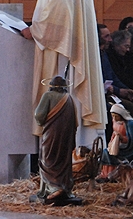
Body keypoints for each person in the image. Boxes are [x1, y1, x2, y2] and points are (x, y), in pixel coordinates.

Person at [21, 0, 106, 145]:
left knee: (65, 99)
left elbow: (59, 15)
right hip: (63, 49)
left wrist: (35, 30)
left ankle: (72, 155)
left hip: (64, 54)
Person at [34, 76, 79, 205]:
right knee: (63, 161)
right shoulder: (69, 99)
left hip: (51, 135)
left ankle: (53, 188)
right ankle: (64, 186)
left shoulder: (48, 96)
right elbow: (75, 122)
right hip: (67, 137)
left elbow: (39, 115)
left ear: (52, 86)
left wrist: (43, 121)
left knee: (48, 160)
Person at [96, 103, 133, 182]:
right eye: (112, 116)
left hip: (128, 148)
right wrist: (112, 142)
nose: (114, 118)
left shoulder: (130, 124)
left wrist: (122, 138)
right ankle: (106, 173)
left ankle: (113, 174)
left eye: (115, 116)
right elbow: (114, 133)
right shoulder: (115, 121)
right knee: (105, 151)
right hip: (116, 144)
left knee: (109, 153)